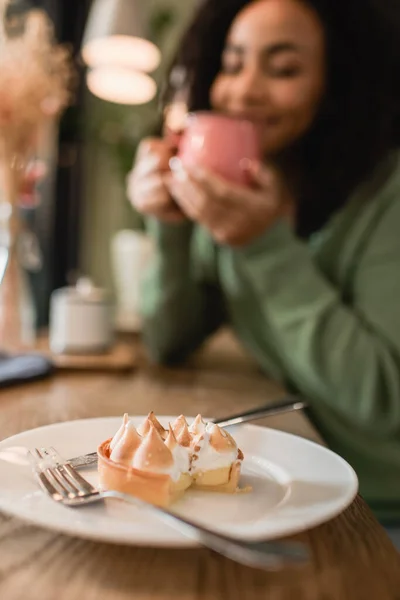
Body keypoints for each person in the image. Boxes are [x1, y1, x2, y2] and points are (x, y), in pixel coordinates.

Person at [126, 0, 400, 529]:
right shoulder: (241, 185)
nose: (244, 90)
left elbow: (384, 403)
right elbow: (169, 340)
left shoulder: (386, 196)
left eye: (283, 69)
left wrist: (262, 246)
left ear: (341, 80)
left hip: (377, 514)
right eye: (232, 64)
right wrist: (171, 224)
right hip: (284, 492)